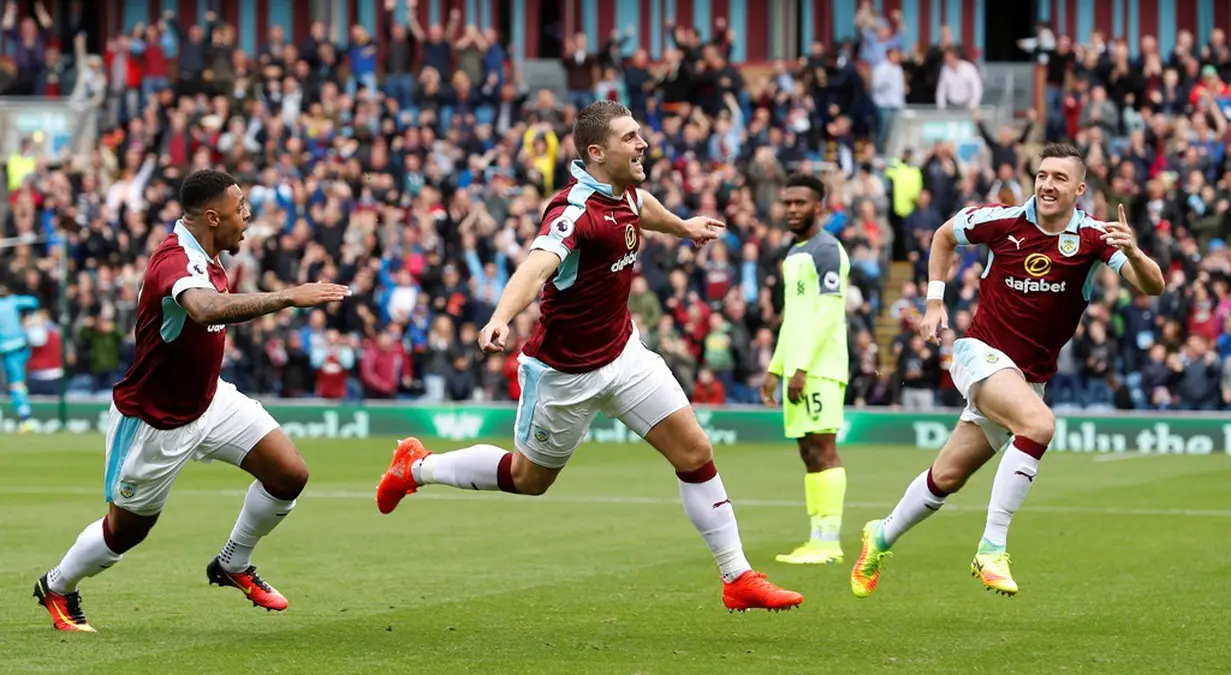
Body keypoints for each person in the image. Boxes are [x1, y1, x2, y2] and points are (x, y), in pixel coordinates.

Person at [376, 100, 803, 612]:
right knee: (527, 480)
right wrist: (501, 317)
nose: (642, 143)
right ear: (597, 152)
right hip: (565, 373)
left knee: (695, 452)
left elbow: (644, 208)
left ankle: (737, 578)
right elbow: (535, 267)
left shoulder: (624, 192)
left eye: (639, 134)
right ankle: (416, 467)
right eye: (629, 138)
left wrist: (684, 227)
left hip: (624, 354)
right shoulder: (573, 211)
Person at [33, 170, 351, 632]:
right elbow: (203, 308)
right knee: (125, 532)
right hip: (154, 421)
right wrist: (287, 298)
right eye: (240, 208)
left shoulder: (209, 252)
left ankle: (232, 562)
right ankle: (57, 586)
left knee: (289, 473)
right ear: (211, 215)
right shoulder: (175, 260)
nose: (247, 216)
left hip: (208, 400)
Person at [850, 143, 1164, 598]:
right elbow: (943, 235)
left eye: (1059, 177)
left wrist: (1133, 252)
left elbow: (1152, 286)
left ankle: (880, 535)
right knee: (1039, 424)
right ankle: (991, 548)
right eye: (1041, 175)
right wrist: (935, 300)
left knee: (947, 478)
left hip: (1026, 378)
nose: (1046, 184)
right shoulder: (1001, 221)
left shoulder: (1095, 237)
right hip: (980, 354)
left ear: (1079, 189)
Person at [759, 174, 850, 566]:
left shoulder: (827, 250)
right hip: (798, 367)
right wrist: (777, 367)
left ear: (820, 207)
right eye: (788, 202)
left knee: (824, 449)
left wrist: (801, 368)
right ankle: (816, 538)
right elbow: (793, 319)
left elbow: (828, 314)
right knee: (808, 452)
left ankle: (829, 541)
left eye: (801, 202)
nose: (793, 209)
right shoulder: (794, 253)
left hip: (821, 368)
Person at [0, 286, 40, 430]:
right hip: (17, 346)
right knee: (17, 383)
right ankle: (25, 416)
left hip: (7, 349)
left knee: (15, 383)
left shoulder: (10, 302)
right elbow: (33, 302)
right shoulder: (13, 301)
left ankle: (25, 417)